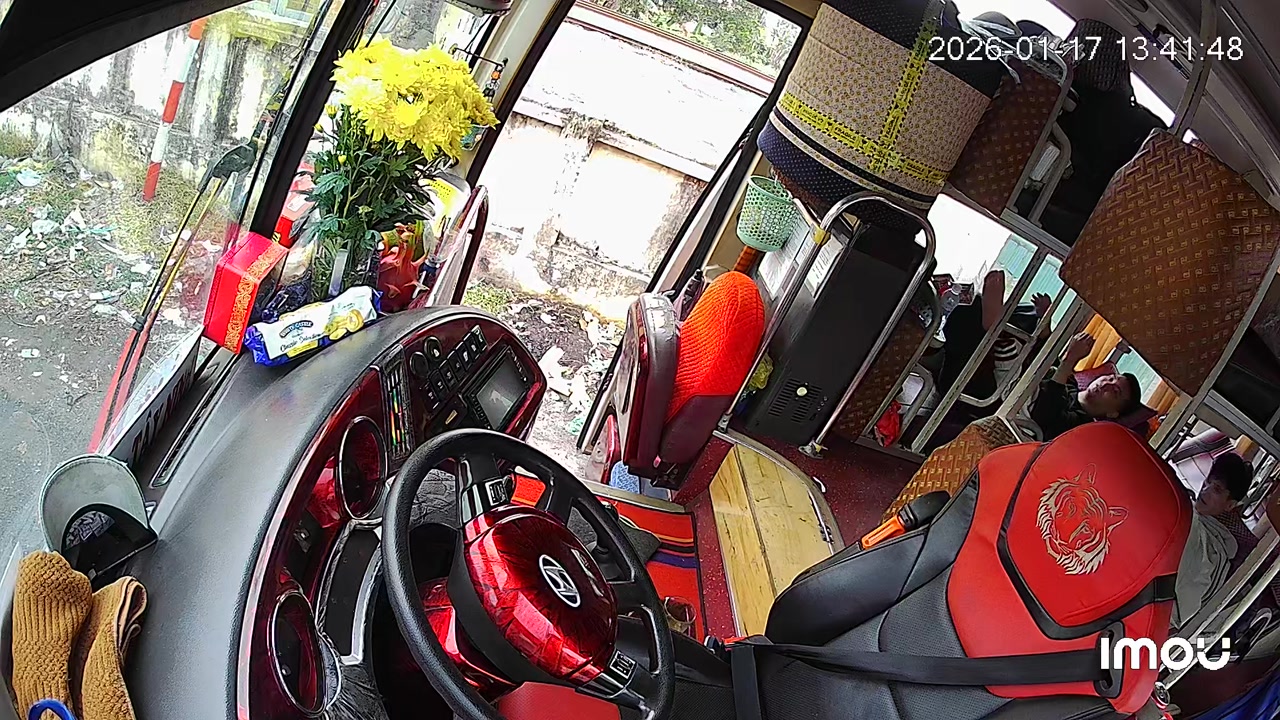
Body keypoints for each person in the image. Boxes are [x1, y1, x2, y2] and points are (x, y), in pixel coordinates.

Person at [1030, 331, 1142, 440]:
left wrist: (1069, 361)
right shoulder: (1070, 382)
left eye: (1115, 391)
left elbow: (1042, 414)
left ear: (1112, 413)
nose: (1105, 384)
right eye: (1110, 378)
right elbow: (1043, 353)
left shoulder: (1080, 428)